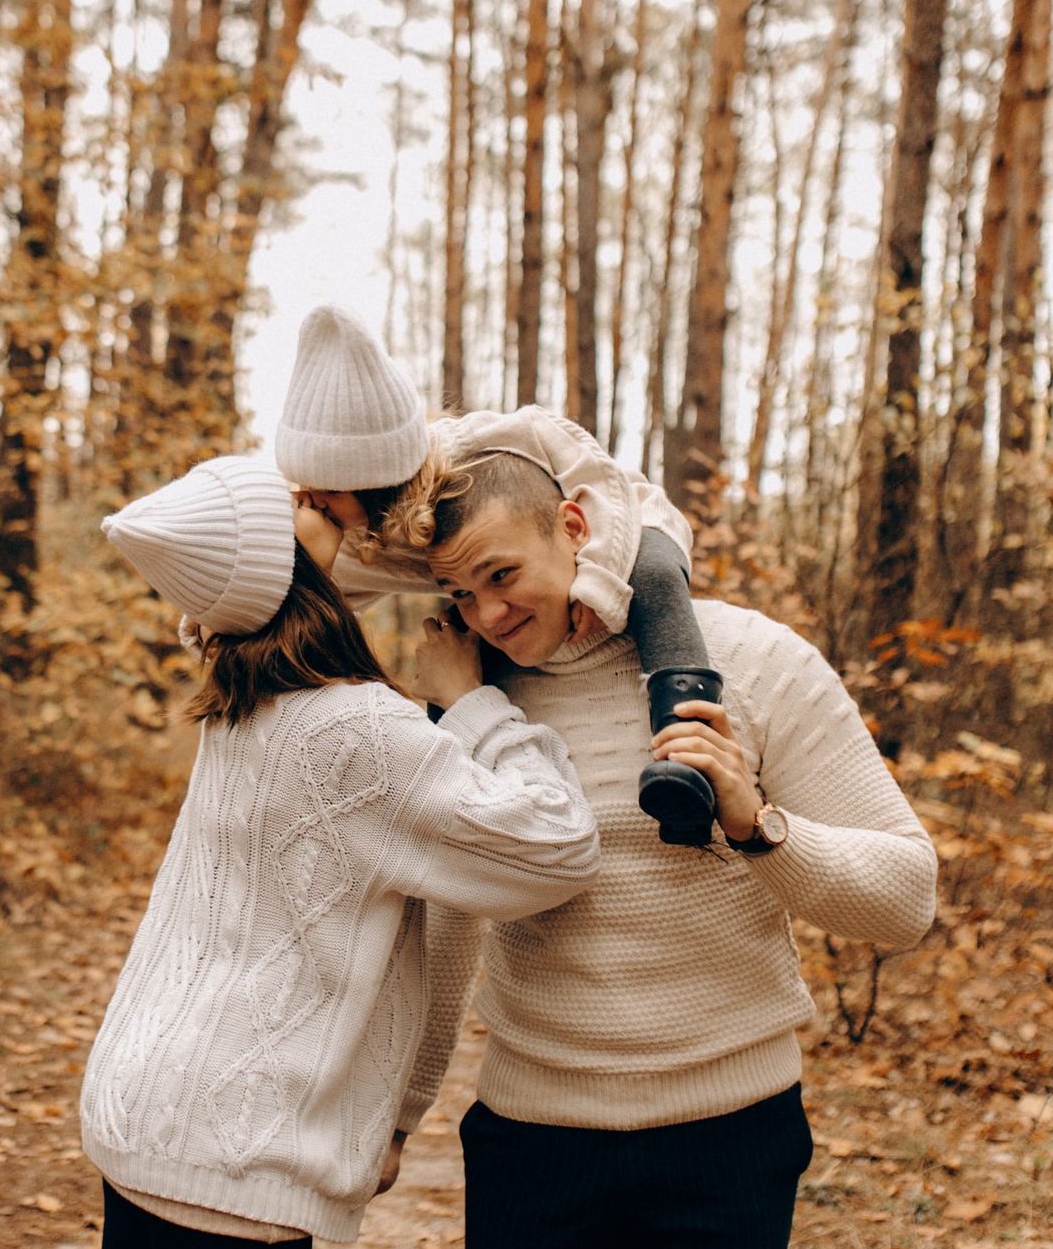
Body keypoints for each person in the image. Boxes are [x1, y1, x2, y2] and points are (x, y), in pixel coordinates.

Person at [408, 449, 939, 1249]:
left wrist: (757, 823)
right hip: (534, 1143)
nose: (488, 614)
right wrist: (400, 1110)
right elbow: (446, 923)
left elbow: (906, 897)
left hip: (728, 1140)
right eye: (460, 593)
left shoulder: (753, 660)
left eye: (503, 575)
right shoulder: (472, 700)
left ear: (575, 526)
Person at [81, 454, 602, 1249]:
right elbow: (557, 846)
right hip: (232, 1155)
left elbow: (219, 575)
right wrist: (474, 704)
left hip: (143, 1115)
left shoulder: (235, 679)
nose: (317, 500)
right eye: (297, 506)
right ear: (272, 567)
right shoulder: (358, 731)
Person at [273, 304, 727, 845]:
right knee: (453, 645)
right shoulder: (351, 530)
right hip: (480, 582)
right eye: (305, 492)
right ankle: (453, 804)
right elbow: (287, 600)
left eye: (326, 493)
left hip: (622, 527)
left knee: (653, 574)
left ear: (372, 474)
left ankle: (688, 760)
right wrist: (303, 562)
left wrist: (594, 579)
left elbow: (600, 483)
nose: (315, 505)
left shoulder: (489, 441)